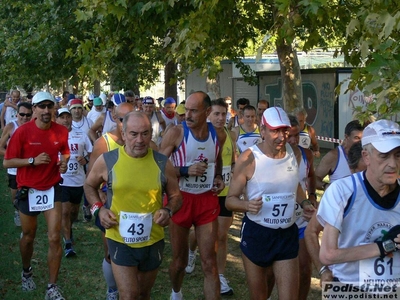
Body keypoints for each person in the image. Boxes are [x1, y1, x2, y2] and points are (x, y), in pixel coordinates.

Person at [84, 111, 182, 300]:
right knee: (129, 295)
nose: (140, 140)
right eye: (133, 134)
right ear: (123, 134)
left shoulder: (162, 163)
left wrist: (168, 210)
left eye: (145, 133)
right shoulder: (108, 160)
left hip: (152, 239)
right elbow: (89, 185)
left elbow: (176, 196)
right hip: (119, 237)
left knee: (144, 294)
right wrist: (99, 209)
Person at [225, 107, 315, 300]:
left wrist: (305, 202)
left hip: (286, 233)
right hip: (258, 233)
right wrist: (247, 205)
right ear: (263, 130)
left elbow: (294, 185)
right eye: (275, 130)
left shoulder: (292, 152)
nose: (281, 136)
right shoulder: (249, 159)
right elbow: (230, 200)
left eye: (284, 130)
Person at [318, 119, 400, 290]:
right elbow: (328, 255)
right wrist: (385, 246)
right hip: (348, 288)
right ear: (366, 156)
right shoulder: (341, 191)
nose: (393, 164)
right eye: (384, 156)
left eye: (398, 155)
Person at [3, 91, 70, 300]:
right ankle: (26, 272)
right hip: (29, 190)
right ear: (34, 110)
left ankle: (52, 287)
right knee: (29, 237)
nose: (46, 111)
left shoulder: (60, 131)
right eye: (42, 107)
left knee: (54, 237)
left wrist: (65, 162)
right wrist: (31, 161)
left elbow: (65, 151)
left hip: (51, 189)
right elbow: (7, 162)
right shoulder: (22, 132)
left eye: (50, 106)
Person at [159, 91, 225, 300]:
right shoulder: (176, 133)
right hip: (180, 199)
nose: (187, 115)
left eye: (193, 111)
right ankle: (176, 292)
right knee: (179, 263)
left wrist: (219, 177)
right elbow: (158, 167)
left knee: (210, 263)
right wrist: (186, 170)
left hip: (206, 201)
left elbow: (217, 158)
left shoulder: (219, 134)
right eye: (186, 110)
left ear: (207, 112)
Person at [185, 98, 237, 296]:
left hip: (224, 193)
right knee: (199, 234)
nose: (220, 118)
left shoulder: (230, 135)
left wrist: (232, 179)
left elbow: (231, 162)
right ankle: (191, 252)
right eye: (216, 114)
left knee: (221, 236)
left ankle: (220, 276)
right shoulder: (200, 134)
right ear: (208, 114)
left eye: (224, 114)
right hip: (204, 192)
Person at [304, 140, 367, 287]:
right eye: (363, 172)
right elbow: (311, 232)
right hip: (343, 282)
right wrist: (323, 270)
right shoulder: (339, 194)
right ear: (351, 170)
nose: (369, 178)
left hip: (384, 286)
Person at [56, 107, 92, 257]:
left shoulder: (81, 134)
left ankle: (68, 231)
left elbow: (91, 152)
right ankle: (68, 244)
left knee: (73, 213)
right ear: (57, 119)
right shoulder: (53, 135)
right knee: (64, 212)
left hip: (78, 181)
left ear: (71, 118)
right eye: (62, 117)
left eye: (67, 117)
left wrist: (86, 160)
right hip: (62, 180)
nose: (65, 120)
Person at [0, 102, 33, 226]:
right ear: (17, 114)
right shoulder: (11, 126)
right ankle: (17, 211)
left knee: (28, 195)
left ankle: (27, 217)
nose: (25, 117)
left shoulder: (34, 127)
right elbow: (0, 147)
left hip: (30, 168)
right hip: (14, 169)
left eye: (28, 115)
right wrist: (13, 157)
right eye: (22, 114)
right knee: (15, 196)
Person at [315, 120, 364, 190]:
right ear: (346, 137)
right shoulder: (334, 156)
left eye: (363, 138)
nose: (360, 142)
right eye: (356, 138)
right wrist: (326, 186)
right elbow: (314, 178)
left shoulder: (367, 155)